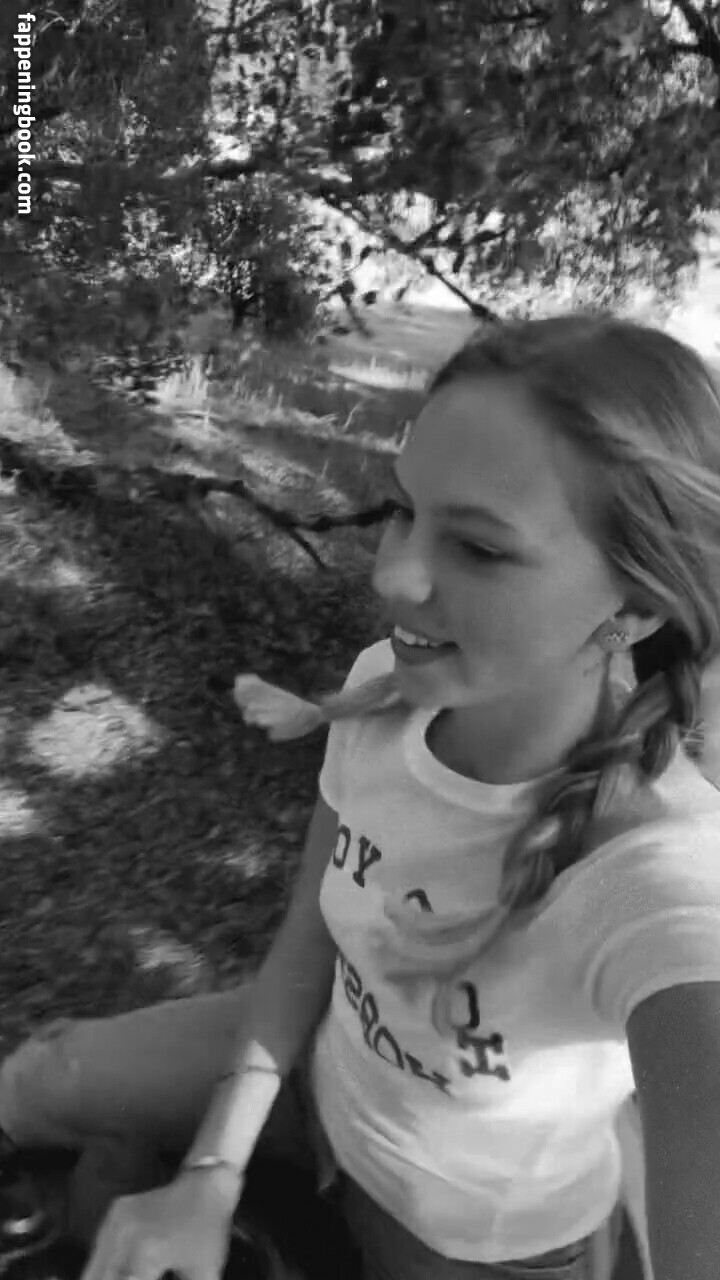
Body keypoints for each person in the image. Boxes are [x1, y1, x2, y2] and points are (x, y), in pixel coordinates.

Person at [3, 312, 720, 1280]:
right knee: (40, 1081)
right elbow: (310, 941)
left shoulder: (657, 879)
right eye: (403, 509)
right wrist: (213, 1169)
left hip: (472, 1251)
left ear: (635, 605)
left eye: (481, 549)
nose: (394, 574)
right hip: (317, 1085)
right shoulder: (386, 686)